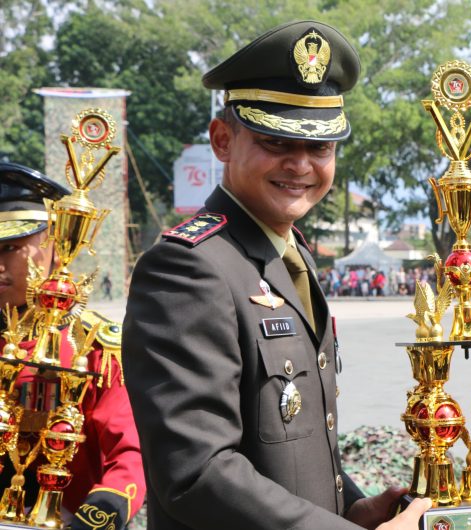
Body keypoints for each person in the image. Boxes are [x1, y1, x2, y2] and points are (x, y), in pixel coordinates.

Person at [121, 20, 429, 530]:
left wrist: (352, 507)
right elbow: (197, 472)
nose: (301, 165)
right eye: (276, 142)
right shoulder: (189, 267)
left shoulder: (292, 256)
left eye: (320, 148)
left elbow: (293, 439)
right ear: (222, 139)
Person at [0, 162, 145, 529]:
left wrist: (98, 517)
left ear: (54, 245)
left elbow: (130, 453)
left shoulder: (96, 348)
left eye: (10, 248)